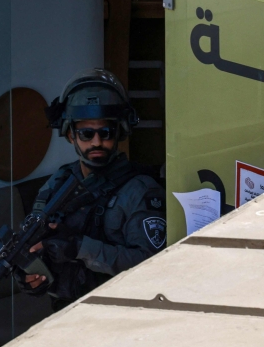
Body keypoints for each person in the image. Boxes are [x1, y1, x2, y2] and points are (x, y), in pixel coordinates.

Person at [18, 68, 166, 307]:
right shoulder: (57, 183)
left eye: (105, 132)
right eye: (86, 133)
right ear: (70, 136)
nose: (97, 142)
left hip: (121, 312)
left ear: (119, 132)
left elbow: (151, 264)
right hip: (65, 313)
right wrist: (31, 278)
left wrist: (79, 248)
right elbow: (36, 248)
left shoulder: (140, 191)